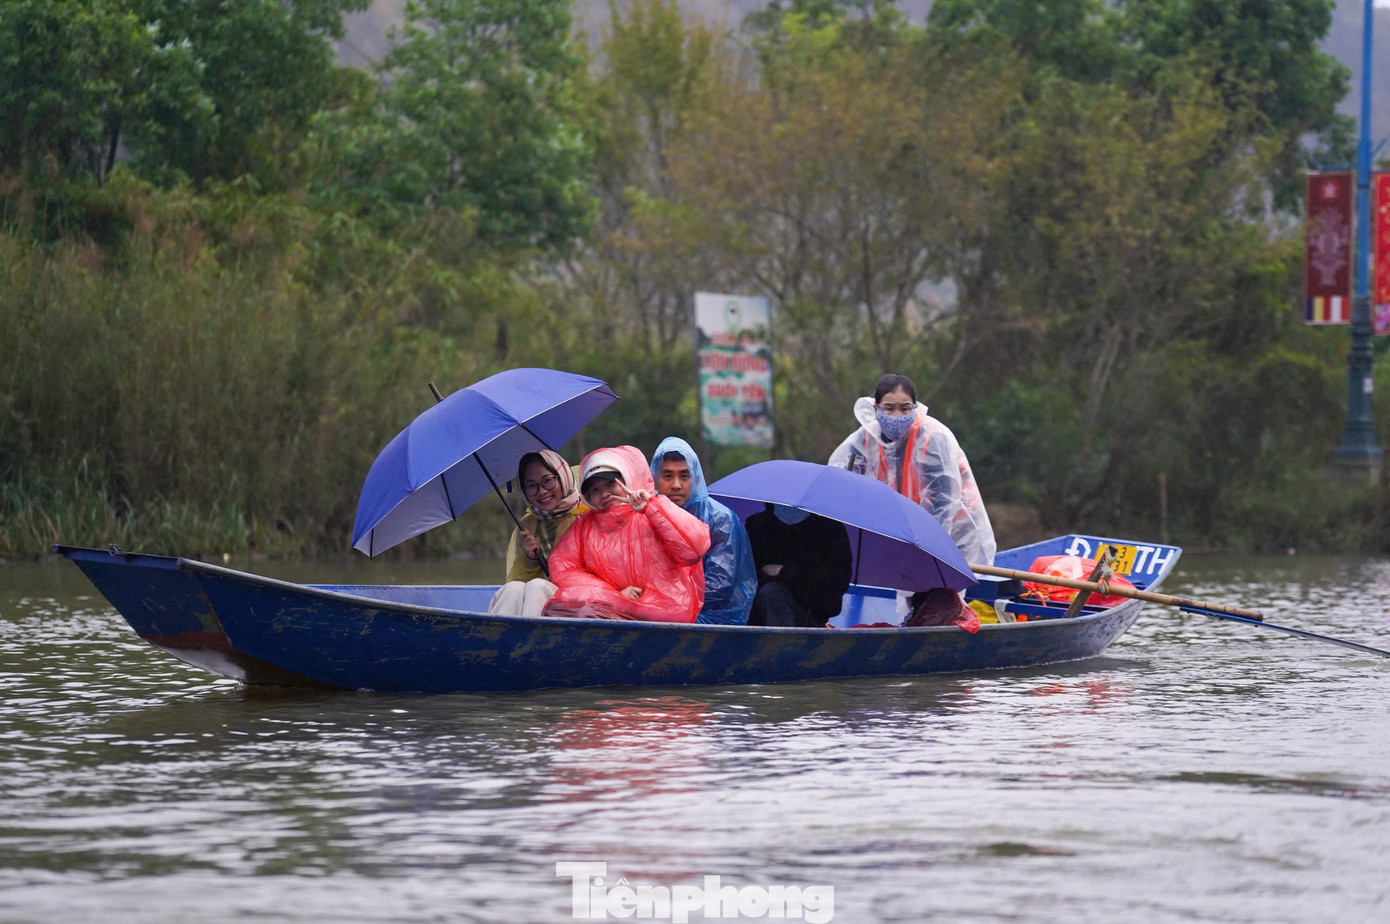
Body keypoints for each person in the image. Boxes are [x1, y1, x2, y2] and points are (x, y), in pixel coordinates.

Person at [829, 373, 996, 567]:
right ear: (876, 409)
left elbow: (942, 506)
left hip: (955, 539)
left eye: (905, 408)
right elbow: (839, 486)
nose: (897, 416)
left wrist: (926, 550)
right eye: (889, 408)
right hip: (906, 537)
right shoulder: (865, 440)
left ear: (915, 408)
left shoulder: (932, 438)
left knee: (942, 595)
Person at [543, 446, 711, 622]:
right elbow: (563, 567)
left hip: (661, 613)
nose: (605, 494)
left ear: (627, 477)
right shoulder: (584, 525)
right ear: (588, 498)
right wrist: (612, 594)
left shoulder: (654, 510)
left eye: (611, 483)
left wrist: (652, 507)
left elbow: (694, 548)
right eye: (595, 490)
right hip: (611, 610)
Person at [649, 437, 757, 625]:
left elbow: (720, 586)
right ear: (654, 479)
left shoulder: (720, 519)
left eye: (684, 476)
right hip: (658, 611)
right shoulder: (645, 517)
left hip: (716, 617)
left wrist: (666, 603)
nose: (676, 485)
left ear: (696, 478)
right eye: (667, 476)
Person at [486, 450, 585, 616]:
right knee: (512, 589)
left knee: (537, 586)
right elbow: (517, 580)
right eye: (531, 486)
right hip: (538, 600)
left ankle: (533, 640)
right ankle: (495, 638)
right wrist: (531, 559)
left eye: (547, 481)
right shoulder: (527, 525)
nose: (542, 491)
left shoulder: (588, 515)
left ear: (562, 477)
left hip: (583, 599)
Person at [745, 504, 852, 628]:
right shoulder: (758, 525)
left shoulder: (830, 530)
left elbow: (834, 585)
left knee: (773, 593)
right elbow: (745, 576)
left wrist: (785, 572)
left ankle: (784, 646)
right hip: (757, 618)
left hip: (809, 616)